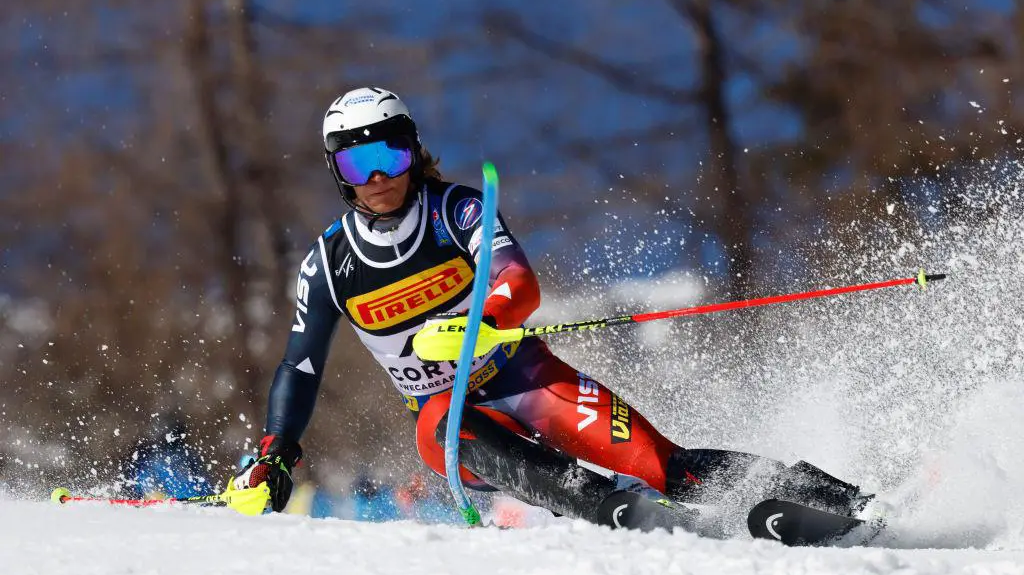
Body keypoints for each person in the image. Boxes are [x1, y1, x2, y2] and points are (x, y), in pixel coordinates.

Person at [232, 86, 875, 534]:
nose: (378, 176)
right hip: (458, 422)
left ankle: (844, 500)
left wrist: (480, 320)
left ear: (413, 150)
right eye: (357, 161)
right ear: (338, 172)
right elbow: (300, 366)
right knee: (436, 423)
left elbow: (518, 281)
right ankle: (604, 506)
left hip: (527, 380)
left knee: (666, 465)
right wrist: (275, 451)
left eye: (391, 155)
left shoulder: (456, 211)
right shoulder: (329, 261)